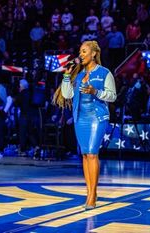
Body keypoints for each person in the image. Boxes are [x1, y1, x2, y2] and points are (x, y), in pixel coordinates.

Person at [53, 41, 116, 210]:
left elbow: (112, 96)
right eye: (80, 52)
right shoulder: (79, 75)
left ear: (93, 54)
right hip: (80, 118)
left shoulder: (104, 73)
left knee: (92, 153)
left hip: (97, 117)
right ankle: (89, 191)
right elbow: (67, 94)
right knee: (85, 155)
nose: (81, 55)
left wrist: (95, 91)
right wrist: (67, 75)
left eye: (84, 51)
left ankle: (93, 194)